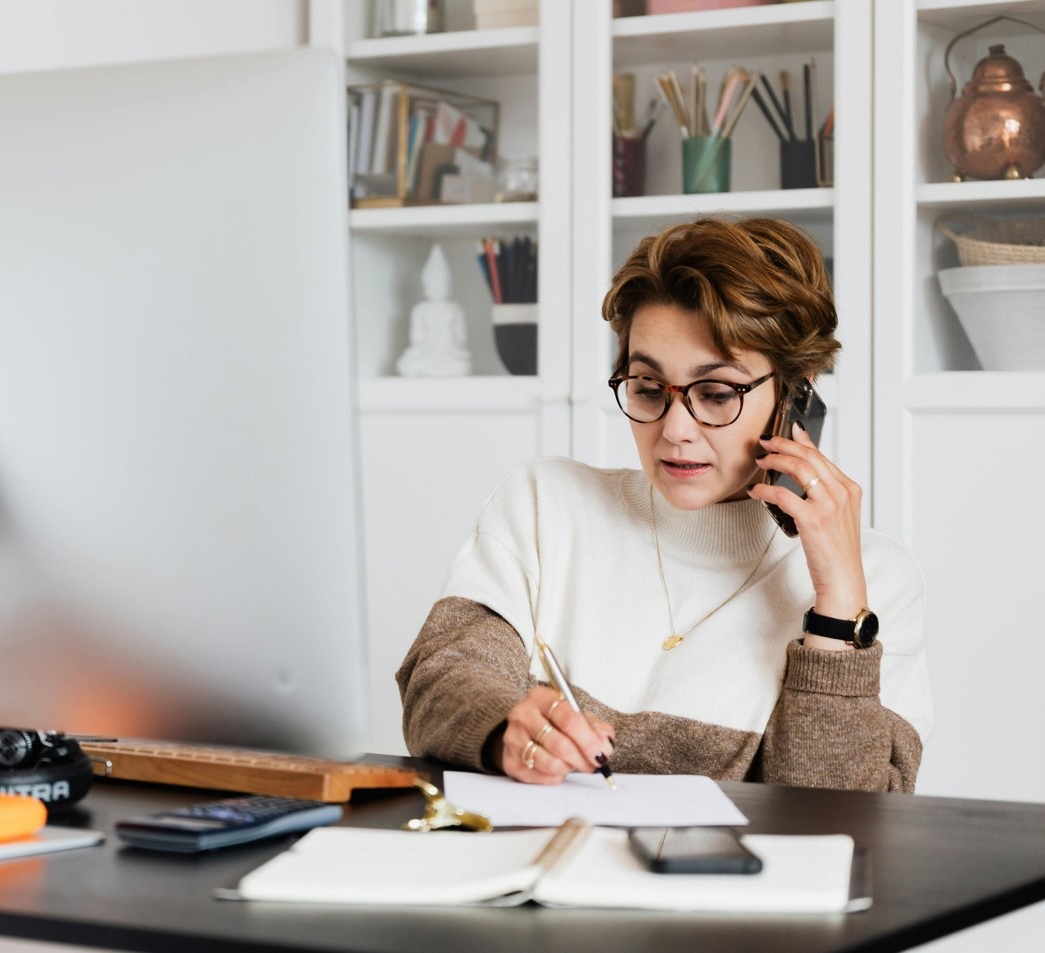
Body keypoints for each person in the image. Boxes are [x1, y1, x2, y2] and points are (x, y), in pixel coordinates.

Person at [395, 217, 931, 793]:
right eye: (649, 388)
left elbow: (836, 816)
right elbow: (440, 680)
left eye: (717, 392)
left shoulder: (873, 580)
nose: (675, 429)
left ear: (794, 396)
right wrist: (508, 729)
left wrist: (836, 611)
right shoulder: (545, 504)